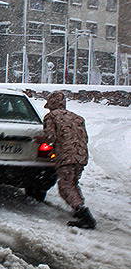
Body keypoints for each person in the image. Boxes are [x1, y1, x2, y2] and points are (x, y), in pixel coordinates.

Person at [35, 90, 96, 229]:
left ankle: (83, 212)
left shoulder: (51, 117)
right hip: (81, 155)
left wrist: (39, 140)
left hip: (66, 155)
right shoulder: (78, 118)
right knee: (73, 182)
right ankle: (79, 209)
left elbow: (51, 138)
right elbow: (84, 137)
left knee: (65, 186)